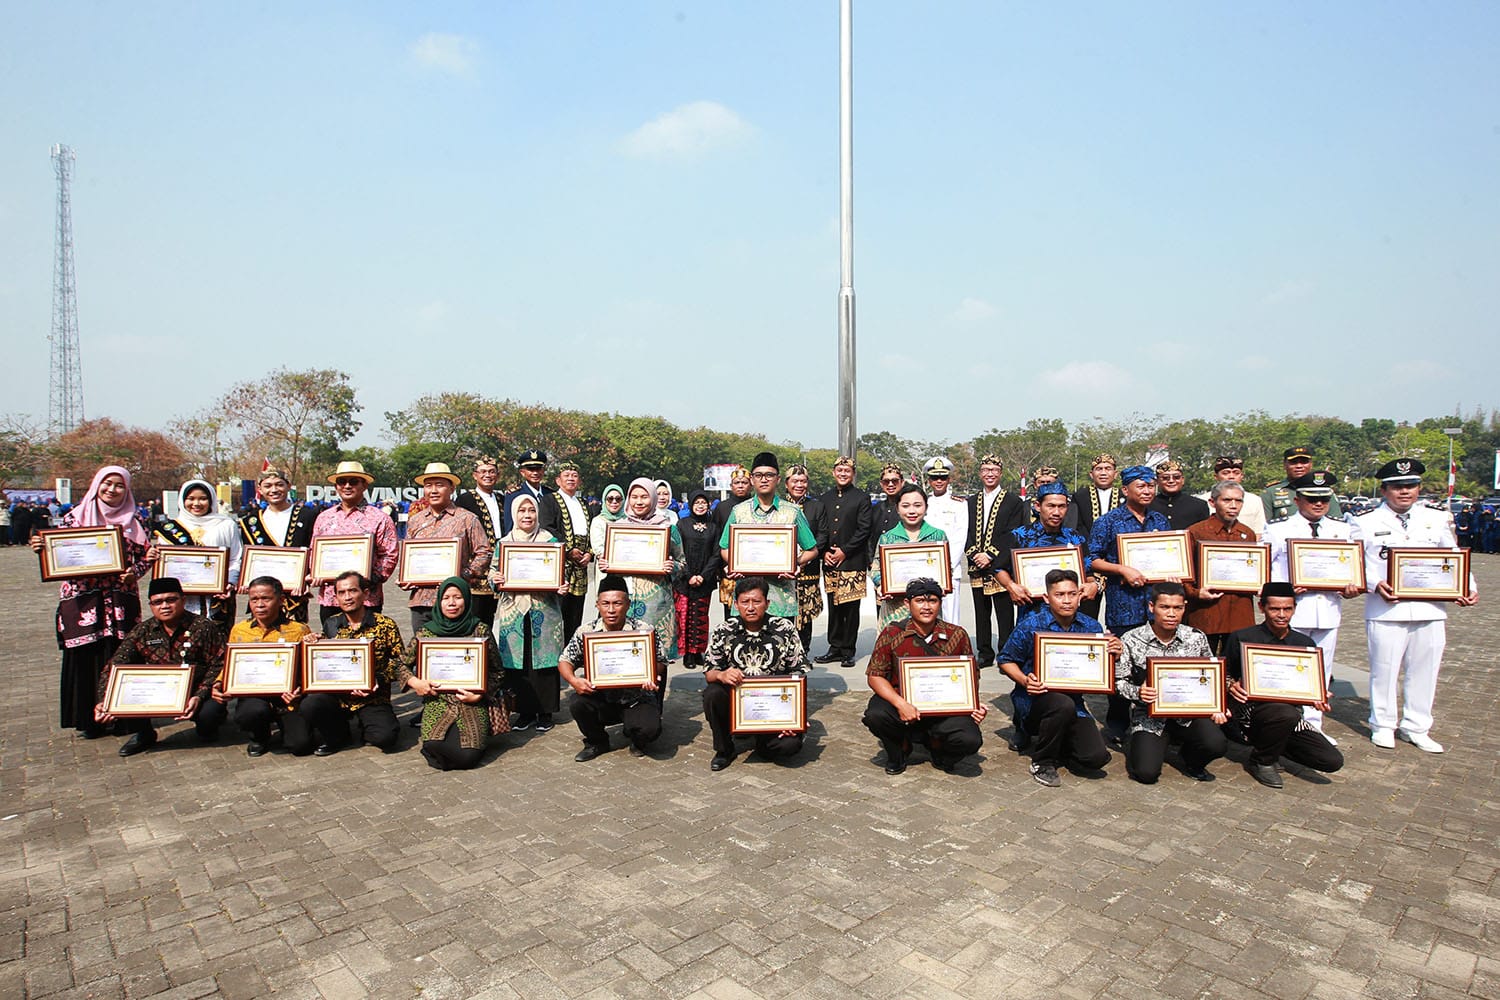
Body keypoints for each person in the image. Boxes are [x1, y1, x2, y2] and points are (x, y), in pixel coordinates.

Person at [1356, 458, 1478, 752]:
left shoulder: (1435, 519)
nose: (1405, 492)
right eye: (1398, 487)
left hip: (1430, 607)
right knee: (1384, 669)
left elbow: (1452, 556)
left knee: (1426, 669)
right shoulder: (1365, 522)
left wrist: (1468, 586)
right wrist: (1374, 583)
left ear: (1419, 488)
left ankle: (1416, 725)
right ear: (1384, 490)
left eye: (1410, 486)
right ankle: (1383, 724)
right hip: (1387, 608)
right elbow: (1356, 561)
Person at [34, 466, 152, 738]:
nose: (112, 490)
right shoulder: (74, 518)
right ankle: (88, 719)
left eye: (119, 485)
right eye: (107, 484)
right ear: (96, 484)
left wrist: (134, 572)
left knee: (120, 655)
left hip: (120, 601)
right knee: (85, 656)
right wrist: (42, 550)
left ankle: (123, 716)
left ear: (127, 489)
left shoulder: (135, 521)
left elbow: (147, 557)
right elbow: (55, 553)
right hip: (82, 602)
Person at [997, 570, 1120, 786]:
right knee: (1060, 703)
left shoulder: (1092, 627)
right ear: (1047, 598)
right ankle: (1042, 761)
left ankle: (1061, 743)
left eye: (1072, 594)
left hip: (1074, 703)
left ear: (1079, 596)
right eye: (1059, 595)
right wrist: (1025, 680)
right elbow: (1005, 660)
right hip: (1035, 699)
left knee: (1095, 758)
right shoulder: (1031, 625)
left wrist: (1114, 654)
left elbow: (1099, 668)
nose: (1066, 600)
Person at [1263, 470, 1363, 738]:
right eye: (1311, 499)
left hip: (1328, 610)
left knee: (1321, 670)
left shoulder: (1341, 530)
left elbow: (1350, 570)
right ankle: (1284, 725)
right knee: (1285, 670)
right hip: (1290, 612)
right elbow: (1264, 572)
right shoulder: (1277, 529)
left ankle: (1313, 727)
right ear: (1297, 500)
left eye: (1323, 499)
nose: (1318, 504)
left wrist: (1352, 587)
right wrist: (1285, 588)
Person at [862, 578, 988, 775]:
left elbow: (971, 675)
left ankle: (938, 747)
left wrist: (974, 705)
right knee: (876, 715)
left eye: (932, 601)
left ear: (940, 603)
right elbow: (875, 676)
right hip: (903, 704)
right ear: (907, 604)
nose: (926, 607)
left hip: (943, 708)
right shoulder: (892, 633)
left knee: (970, 739)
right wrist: (900, 704)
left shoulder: (957, 634)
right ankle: (899, 750)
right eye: (920, 601)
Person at [1224, 582, 1344, 788]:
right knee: (1285, 714)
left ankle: (1271, 746)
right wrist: (1230, 684)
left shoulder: (1304, 643)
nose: (1281, 615)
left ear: (1294, 608)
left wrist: (1318, 695)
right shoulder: (1242, 637)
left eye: (1287, 609)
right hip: (1251, 712)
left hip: (1289, 714)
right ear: (1262, 608)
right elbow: (1224, 672)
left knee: (1330, 760)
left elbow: (1309, 683)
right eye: (1274, 609)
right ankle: (1263, 761)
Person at [1087, 464, 1174, 743]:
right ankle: (1117, 721)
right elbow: (1092, 559)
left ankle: (1158, 717)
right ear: (1126, 490)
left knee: (1158, 661)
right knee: (1122, 662)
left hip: (1157, 604)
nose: (1148, 491)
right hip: (1124, 603)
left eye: (1151, 486)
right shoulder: (1109, 521)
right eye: (1141, 486)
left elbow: (1173, 553)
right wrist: (1122, 569)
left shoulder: (1160, 520)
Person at [95, 577, 229, 757]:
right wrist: (106, 699)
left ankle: (207, 728)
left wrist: (200, 694)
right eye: (158, 602)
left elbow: (220, 662)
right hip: (157, 692)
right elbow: (115, 664)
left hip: (196, 690)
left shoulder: (203, 627)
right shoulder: (142, 631)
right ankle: (144, 734)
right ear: (151, 605)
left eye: (171, 600)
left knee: (210, 714)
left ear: (183, 600)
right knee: (125, 692)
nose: (164, 606)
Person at [1115, 583, 1229, 783]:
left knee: (1216, 744)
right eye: (1164, 607)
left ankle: (1190, 759)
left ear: (1185, 607)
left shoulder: (1195, 637)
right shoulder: (1131, 639)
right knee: (1146, 773)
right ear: (1152, 607)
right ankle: (1147, 743)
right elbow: (1118, 682)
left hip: (1189, 713)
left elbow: (1213, 677)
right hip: (1149, 717)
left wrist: (1218, 705)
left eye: (1177, 608)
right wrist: (1138, 693)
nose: (1171, 614)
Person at [701, 577, 811, 771]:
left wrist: (794, 717)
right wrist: (722, 675)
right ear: (736, 604)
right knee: (712, 693)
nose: (750, 607)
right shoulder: (723, 630)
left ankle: (762, 742)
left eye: (756, 601)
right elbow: (709, 671)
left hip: (774, 705)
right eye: (744, 602)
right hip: (737, 703)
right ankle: (724, 749)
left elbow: (799, 673)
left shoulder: (784, 629)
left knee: (790, 746)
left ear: (767, 603)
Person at [397, 577, 505, 771]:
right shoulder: (426, 633)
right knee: (434, 745)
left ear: (467, 600)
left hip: (471, 701)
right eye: (446, 597)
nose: (452, 603)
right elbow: (400, 665)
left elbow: (498, 671)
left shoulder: (480, 629)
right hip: (437, 700)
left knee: (467, 756)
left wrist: (479, 694)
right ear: (439, 601)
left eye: (458, 597)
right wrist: (415, 682)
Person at [559, 575, 670, 760]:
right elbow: (565, 660)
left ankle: (637, 739)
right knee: (578, 703)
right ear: (597, 605)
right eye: (606, 603)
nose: (611, 610)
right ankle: (597, 742)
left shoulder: (643, 630)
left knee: (649, 729)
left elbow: (660, 660)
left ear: (627, 604)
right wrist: (573, 680)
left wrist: (651, 675)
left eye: (617, 603)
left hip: (635, 697)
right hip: (601, 697)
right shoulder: (587, 631)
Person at [299, 571, 402, 756]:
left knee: (385, 738)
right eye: (341, 592)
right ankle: (338, 735)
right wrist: (313, 642)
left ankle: (366, 725)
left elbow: (400, 664)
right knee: (311, 704)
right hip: (339, 696)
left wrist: (376, 679)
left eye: (353, 591)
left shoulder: (385, 625)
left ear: (366, 593)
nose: (347, 597)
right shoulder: (331, 624)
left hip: (372, 696)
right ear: (336, 596)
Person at [490, 494, 568, 733]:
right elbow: (492, 572)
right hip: (514, 611)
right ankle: (523, 712)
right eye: (522, 511)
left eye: (531, 511)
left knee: (544, 662)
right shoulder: (504, 544)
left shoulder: (551, 541)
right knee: (518, 662)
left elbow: (560, 573)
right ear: (514, 514)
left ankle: (545, 712)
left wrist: (561, 585)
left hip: (544, 610)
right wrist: (496, 579)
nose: (527, 515)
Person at [717, 453, 819, 629]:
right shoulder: (739, 511)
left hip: (781, 598)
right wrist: (734, 564)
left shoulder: (792, 512)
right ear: (752, 479)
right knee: (746, 651)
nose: (764, 480)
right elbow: (724, 548)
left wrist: (794, 564)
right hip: (746, 597)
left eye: (769, 475)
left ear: (778, 479)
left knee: (780, 650)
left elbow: (812, 549)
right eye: (758, 475)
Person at [600, 478, 686, 666]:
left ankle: (656, 696)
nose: (639, 502)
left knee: (656, 660)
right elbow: (612, 564)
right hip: (625, 603)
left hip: (658, 606)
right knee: (625, 658)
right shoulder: (618, 527)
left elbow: (682, 563)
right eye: (634, 497)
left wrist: (672, 568)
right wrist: (606, 564)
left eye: (644, 497)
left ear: (653, 498)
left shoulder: (667, 528)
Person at [223, 577, 312, 757]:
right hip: (254, 695)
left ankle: (285, 725)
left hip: (287, 698)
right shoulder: (239, 631)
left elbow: (307, 669)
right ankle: (259, 736)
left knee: (300, 745)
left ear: (281, 601)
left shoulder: (299, 630)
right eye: (254, 599)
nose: (260, 605)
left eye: (266, 598)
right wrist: (220, 684)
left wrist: (300, 690)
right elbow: (230, 665)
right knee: (250, 712)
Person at [401, 463, 491, 635]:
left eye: (439, 485)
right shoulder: (415, 521)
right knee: (423, 653)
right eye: (428, 485)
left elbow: (484, 552)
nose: (433, 490)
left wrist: (464, 574)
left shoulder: (467, 519)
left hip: (455, 603)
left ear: (451, 488)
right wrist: (406, 577)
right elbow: (409, 556)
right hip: (422, 601)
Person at [310, 461, 399, 624]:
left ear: (364, 485)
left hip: (366, 598)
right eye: (342, 482)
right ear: (336, 487)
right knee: (332, 646)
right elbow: (314, 552)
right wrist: (314, 572)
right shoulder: (324, 518)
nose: (347, 486)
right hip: (331, 598)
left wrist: (370, 578)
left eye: (353, 481)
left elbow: (389, 554)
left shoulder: (380, 518)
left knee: (366, 647)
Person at [965, 454, 1032, 667]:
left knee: (1004, 613)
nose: (989, 474)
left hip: (1000, 565)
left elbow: (1012, 533)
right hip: (976, 564)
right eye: (985, 470)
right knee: (981, 612)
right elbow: (964, 531)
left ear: (1000, 473)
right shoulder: (970, 501)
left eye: (994, 470)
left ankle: (1006, 653)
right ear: (980, 473)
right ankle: (984, 652)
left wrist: (991, 555)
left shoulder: (1013, 501)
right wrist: (975, 553)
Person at [995, 482, 1096, 619]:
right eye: (1051, 506)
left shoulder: (1075, 538)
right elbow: (998, 568)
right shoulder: (1019, 536)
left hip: (1069, 617)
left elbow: (1088, 571)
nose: (1056, 512)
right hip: (1031, 615)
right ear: (1038, 506)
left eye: (1062, 507)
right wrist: (1010, 586)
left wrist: (1092, 585)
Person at [156, 479, 243, 634]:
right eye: (191, 499)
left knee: (217, 642)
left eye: (203, 498)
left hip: (219, 596)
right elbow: (165, 562)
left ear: (211, 500)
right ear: (182, 501)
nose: (196, 503)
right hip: (184, 597)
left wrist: (229, 581)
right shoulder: (170, 529)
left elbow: (236, 557)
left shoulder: (226, 525)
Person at [1183, 480, 1259, 653]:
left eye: (1238, 501)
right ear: (1212, 502)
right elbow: (1184, 572)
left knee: (1237, 665)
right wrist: (1195, 592)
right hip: (1206, 611)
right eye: (1226, 500)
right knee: (1202, 664)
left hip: (1240, 612)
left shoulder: (1247, 534)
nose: (1233, 506)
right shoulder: (1196, 532)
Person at [239, 467, 319, 622]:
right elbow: (247, 558)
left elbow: (314, 552)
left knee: (296, 638)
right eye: (268, 486)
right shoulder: (251, 522)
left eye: (279, 484)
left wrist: (307, 577)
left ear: (288, 486)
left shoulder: (307, 516)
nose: (274, 490)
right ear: (259, 490)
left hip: (295, 594)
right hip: (262, 596)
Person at [815, 456, 872, 668]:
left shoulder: (861, 498)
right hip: (830, 561)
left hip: (852, 561)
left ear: (853, 474)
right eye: (839, 470)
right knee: (834, 607)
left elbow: (863, 529)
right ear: (833, 472)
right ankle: (834, 647)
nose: (843, 474)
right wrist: (824, 554)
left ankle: (848, 650)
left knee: (850, 607)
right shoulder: (824, 498)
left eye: (847, 471)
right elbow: (821, 528)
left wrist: (844, 551)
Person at [870, 484, 948, 628]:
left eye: (917, 505)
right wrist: (881, 585)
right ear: (898, 509)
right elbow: (876, 568)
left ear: (926, 508)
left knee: (928, 648)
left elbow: (946, 568)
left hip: (927, 608)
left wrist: (944, 584)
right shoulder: (888, 538)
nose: (912, 511)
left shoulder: (938, 536)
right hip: (895, 609)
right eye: (905, 506)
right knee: (893, 646)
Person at [675, 490, 723, 668]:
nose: (701, 506)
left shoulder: (713, 527)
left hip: (705, 579)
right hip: (684, 579)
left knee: (700, 617)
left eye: (704, 503)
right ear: (691, 505)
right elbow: (677, 551)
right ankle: (687, 653)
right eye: (697, 503)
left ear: (708, 505)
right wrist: (688, 575)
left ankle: (698, 651)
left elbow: (717, 554)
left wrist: (703, 576)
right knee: (685, 616)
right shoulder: (682, 524)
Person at [456, 455, 505, 624]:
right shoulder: (465, 499)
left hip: (498, 563)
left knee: (492, 614)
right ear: (474, 475)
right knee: (475, 615)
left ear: (497, 476)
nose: (488, 475)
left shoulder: (501, 499)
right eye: (483, 472)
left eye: (492, 472)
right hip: (475, 565)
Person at [783, 464, 827, 650]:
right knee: (783, 615)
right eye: (795, 481)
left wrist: (804, 557)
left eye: (803, 481)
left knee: (805, 616)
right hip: (782, 570)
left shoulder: (816, 507)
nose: (799, 485)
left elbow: (823, 534)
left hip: (808, 568)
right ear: (786, 484)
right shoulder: (780, 506)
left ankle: (803, 651)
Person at [922, 457, 970, 626]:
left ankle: (951, 650)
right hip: (925, 567)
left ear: (949, 479)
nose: (939, 481)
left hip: (950, 569)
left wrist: (946, 565)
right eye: (935, 478)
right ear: (929, 480)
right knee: (925, 613)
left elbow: (960, 537)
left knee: (950, 617)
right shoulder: (923, 503)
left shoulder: (960, 504)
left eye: (943, 477)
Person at [553, 462, 594, 640]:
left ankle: (572, 651)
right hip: (562, 564)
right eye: (566, 475)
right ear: (558, 480)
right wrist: (568, 550)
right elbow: (548, 528)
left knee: (576, 610)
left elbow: (591, 529)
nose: (571, 478)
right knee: (559, 610)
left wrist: (589, 553)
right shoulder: (550, 500)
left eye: (574, 475)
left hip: (581, 565)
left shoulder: (584, 503)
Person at [712, 467, 753, 623]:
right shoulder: (722, 508)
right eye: (737, 482)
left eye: (744, 482)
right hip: (728, 567)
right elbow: (717, 539)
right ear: (731, 485)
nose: (741, 485)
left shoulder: (756, 505)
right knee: (731, 615)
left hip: (754, 565)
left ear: (751, 485)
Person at [1263, 446, 1343, 523]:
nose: (1299, 466)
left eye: (1304, 462)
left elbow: (1336, 521)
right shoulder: (1270, 492)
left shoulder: (1323, 491)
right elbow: (1264, 525)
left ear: (1311, 464)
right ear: (1285, 464)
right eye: (1293, 462)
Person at [1194, 456, 1267, 536]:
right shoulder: (1201, 501)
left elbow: (1259, 532)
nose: (1231, 476)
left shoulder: (1255, 501)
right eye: (1226, 473)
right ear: (1216, 476)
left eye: (1236, 473)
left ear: (1242, 476)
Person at [502, 450, 563, 537]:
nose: (535, 473)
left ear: (543, 470)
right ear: (522, 472)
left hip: (549, 542)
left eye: (538, 469)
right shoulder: (514, 495)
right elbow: (509, 526)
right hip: (524, 543)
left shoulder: (551, 494)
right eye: (531, 469)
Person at [1072, 453, 1122, 539]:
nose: (1103, 473)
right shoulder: (1080, 497)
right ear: (1091, 474)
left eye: (1108, 469)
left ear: (1115, 474)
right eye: (1099, 469)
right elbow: (1076, 526)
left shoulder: (1125, 496)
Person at [1148, 460, 1210, 530]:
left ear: (1182, 480)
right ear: (1157, 482)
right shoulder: (1148, 505)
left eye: (1176, 477)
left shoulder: (1199, 505)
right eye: (1165, 478)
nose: (1171, 481)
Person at [589, 483, 626, 567]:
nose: (614, 502)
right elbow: (598, 547)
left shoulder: (628, 520)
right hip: (605, 565)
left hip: (625, 566)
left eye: (618, 499)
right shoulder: (598, 521)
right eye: (610, 499)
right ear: (604, 500)